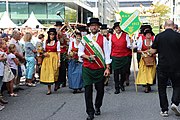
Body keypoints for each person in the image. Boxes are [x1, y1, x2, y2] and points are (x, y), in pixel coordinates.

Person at [78, 18, 111, 120]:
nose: (94, 27)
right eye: (92, 25)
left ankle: (97, 106)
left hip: (99, 68)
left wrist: (107, 68)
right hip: (87, 68)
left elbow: (107, 54)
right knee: (88, 91)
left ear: (98, 27)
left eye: (96, 25)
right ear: (89, 27)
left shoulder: (104, 39)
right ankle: (90, 112)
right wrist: (88, 57)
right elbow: (80, 52)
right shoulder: (84, 39)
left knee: (100, 90)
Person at [150, 20, 180, 117]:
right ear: (173, 26)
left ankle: (164, 110)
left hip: (163, 66)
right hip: (176, 66)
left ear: (164, 26)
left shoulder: (159, 36)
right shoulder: (178, 36)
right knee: (177, 86)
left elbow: (153, 51)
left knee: (162, 88)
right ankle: (175, 103)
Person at [110, 22, 132, 94]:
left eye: (119, 28)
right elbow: (110, 46)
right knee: (115, 73)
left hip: (124, 56)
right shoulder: (111, 36)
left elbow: (129, 45)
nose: (118, 29)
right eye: (116, 28)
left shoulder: (126, 36)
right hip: (115, 56)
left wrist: (132, 45)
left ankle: (121, 83)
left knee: (123, 73)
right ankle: (117, 88)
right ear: (114, 29)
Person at [40, 28, 61, 95]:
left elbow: (58, 52)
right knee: (48, 73)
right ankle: (49, 89)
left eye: (53, 34)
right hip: (47, 59)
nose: (52, 36)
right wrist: (44, 53)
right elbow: (42, 50)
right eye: (50, 34)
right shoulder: (45, 42)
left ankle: (56, 83)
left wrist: (59, 61)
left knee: (55, 72)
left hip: (54, 58)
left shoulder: (57, 42)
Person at [136, 29, 156, 93]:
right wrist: (143, 52)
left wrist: (152, 53)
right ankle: (146, 86)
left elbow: (156, 49)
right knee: (145, 73)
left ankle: (149, 84)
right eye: (147, 34)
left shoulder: (153, 41)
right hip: (144, 59)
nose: (148, 35)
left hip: (152, 59)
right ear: (145, 35)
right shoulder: (141, 41)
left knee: (151, 73)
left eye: (150, 34)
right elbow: (138, 50)